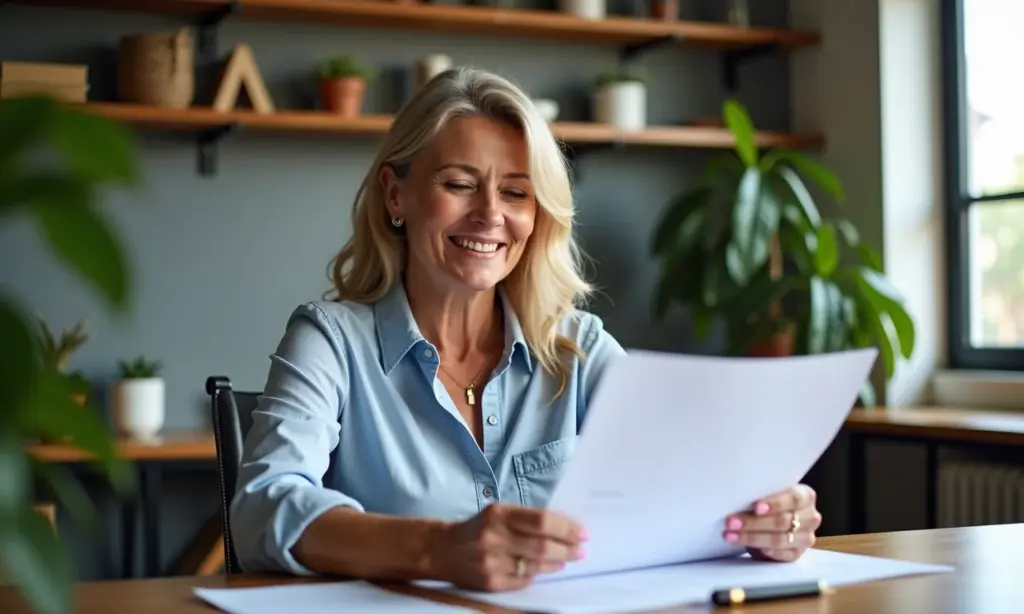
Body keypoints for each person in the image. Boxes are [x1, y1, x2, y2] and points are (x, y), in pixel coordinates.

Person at [230, 67, 822, 592]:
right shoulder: (330, 340)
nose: (491, 214)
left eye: (516, 192)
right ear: (395, 195)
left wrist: (765, 512)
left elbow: (697, 473)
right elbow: (261, 507)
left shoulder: (580, 347)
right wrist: (437, 549)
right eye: (459, 184)